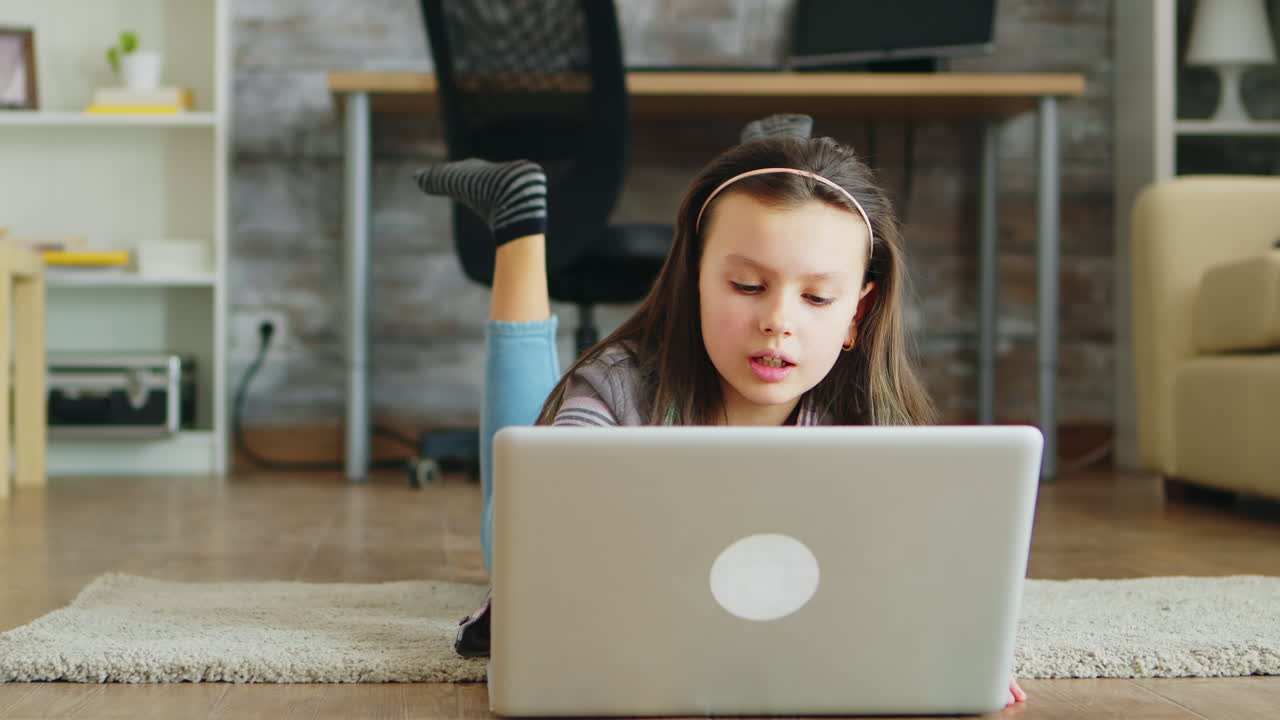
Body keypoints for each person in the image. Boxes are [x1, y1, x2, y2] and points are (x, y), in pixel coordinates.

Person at [414, 115, 1026, 707]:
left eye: (817, 297)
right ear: (696, 282)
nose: (778, 322)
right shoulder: (618, 385)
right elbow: (551, 550)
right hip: (557, 503)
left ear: (857, 315)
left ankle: (773, 154)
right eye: (747, 287)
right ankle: (518, 224)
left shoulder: (872, 419)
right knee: (517, 502)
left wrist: (956, 655)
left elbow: (920, 576)